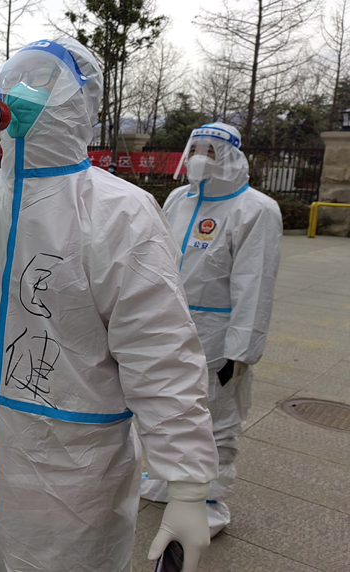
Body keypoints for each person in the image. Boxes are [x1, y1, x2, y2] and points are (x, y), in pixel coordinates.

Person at [0, 38, 219, 572]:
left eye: (43, 78)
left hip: (70, 478)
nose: (20, 90)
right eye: (14, 76)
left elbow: (160, 355)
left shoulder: (120, 212)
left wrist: (187, 484)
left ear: (80, 102)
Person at [140, 122, 282, 537]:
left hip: (218, 331)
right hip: (170, 324)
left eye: (211, 150)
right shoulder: (179, 199)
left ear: (232, 157)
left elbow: (255, 284)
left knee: (215, 417)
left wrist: (241, 351)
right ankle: (169, 479)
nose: (200, 157)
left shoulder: (255, 209)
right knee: (168, 408)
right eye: (196, 148)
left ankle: (210, 500)